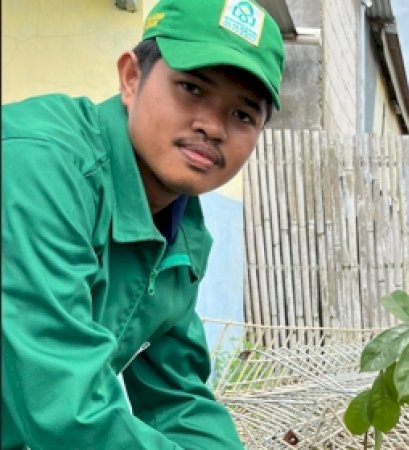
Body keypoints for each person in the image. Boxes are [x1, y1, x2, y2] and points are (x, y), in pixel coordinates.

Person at [2, 0, 284, 448]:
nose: (212, 126)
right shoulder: (40, 166)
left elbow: (178, 399)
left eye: (243, 115)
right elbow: (63, 410)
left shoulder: (183, 235)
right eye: (191, 88)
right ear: (132, 79)